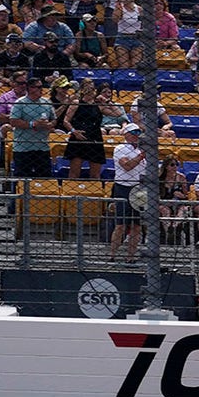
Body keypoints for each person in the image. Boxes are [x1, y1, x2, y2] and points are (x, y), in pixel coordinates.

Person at [109, 124, 146, 264]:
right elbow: (127, 166)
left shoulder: (142, 150)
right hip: (123, 187)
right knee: (121, 224)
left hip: (139, 188)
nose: (136, 134)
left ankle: (130, 256)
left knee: (136, 224)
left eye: (138, 132)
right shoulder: (120, 148)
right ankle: (112, 254)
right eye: (133, 132)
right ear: (126, 134)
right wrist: (142, 156)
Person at [8, 77, 55, 182]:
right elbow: (13, 121)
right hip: (23, 147)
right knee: (22, 178)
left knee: (44, 178)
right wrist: (32, 124)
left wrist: (49, 124)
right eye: (38, 87)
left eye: (41, 87)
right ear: (30, 88)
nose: (41, 89)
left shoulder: (46, 102)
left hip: (42, 147)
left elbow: (54, 119)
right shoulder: (20, 103)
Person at [62, 79, 108, 182]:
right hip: (78, 138)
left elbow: (118, 113)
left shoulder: (99, 105)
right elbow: (66, 121)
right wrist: (74, 131)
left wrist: (106, 101)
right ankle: (72, 194)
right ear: (82, 90)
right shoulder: (76, 103)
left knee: (95, 175)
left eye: (92, 88)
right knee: (74, 173)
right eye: (87, 88)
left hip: (95, 138)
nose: (90, 91)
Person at [158, 156, 191, 244]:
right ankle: (168, 231)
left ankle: (174, 228)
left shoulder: (181, 177)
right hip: (164, 202)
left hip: (179, 203)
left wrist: (182, 196)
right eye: (172, 165)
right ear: (166, 167)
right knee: (165, 210)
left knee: (183, 210)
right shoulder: (160, 178)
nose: (175, 167)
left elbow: (186, 195)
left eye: (176, 165)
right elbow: (156, 196)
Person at [112, 0, 142, 68]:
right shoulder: (120, 8)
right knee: (124, 66)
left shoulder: (139, 9)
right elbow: (115, 20)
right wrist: (118, 2)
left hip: (136, 37)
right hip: (122, 37)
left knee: (135, 65)